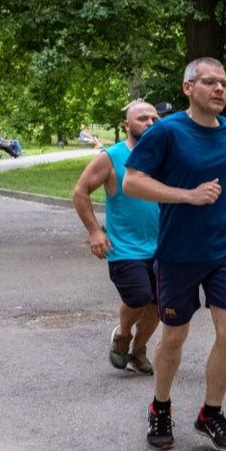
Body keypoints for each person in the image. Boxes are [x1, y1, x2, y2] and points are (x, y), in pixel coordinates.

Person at [123, 57, 226, 451]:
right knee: (175, 336)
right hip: (178, 254)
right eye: (210, 82)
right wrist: (188, 196)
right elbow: (132, 182)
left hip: (223, 249)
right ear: (188, 88)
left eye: (224, 84)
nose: (219, 90)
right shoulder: (166, 133)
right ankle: (160, 406)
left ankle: (210, 414)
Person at [72, 101, 161, 374]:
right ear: (127, 125)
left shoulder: (164, 156)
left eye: (155, 119)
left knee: (159, 305)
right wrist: (94, 231)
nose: (150, 123)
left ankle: (138, 350)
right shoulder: (112, 157)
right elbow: (80, 191)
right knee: (139, 298)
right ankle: (123, 335)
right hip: (125, 248)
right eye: (142, 118)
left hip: (162, 247)